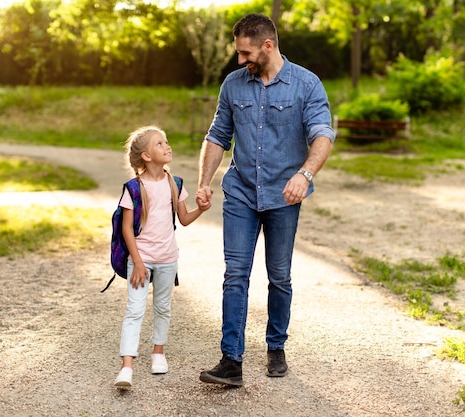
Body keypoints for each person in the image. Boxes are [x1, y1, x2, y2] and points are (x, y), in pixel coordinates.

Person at [196, 13, 335, 386]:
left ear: (267, 46)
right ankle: (231, 360)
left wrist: (304, 175)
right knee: (235, 274)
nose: (240, 60)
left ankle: (276, 346)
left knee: (280, 277)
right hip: (240, 192)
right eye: (238, 53)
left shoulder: (306, 84)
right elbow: (217, 136)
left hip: (283, 196)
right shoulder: (233, 85)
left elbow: (323, 134)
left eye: (246, 53)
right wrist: (204, 181)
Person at [114, 126, 209, 388]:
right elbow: (126, 228)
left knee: (163, 307)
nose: (167, 146)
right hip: (141, 260)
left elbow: (185, 219)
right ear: (145, 155)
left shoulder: (174, 183)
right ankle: (126, 367)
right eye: (159, 144)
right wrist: (138, 263)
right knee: (134, 310)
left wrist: (200, 209)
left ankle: (158, 352)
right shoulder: (134, 187)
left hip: (168, 258)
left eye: (166, 142)